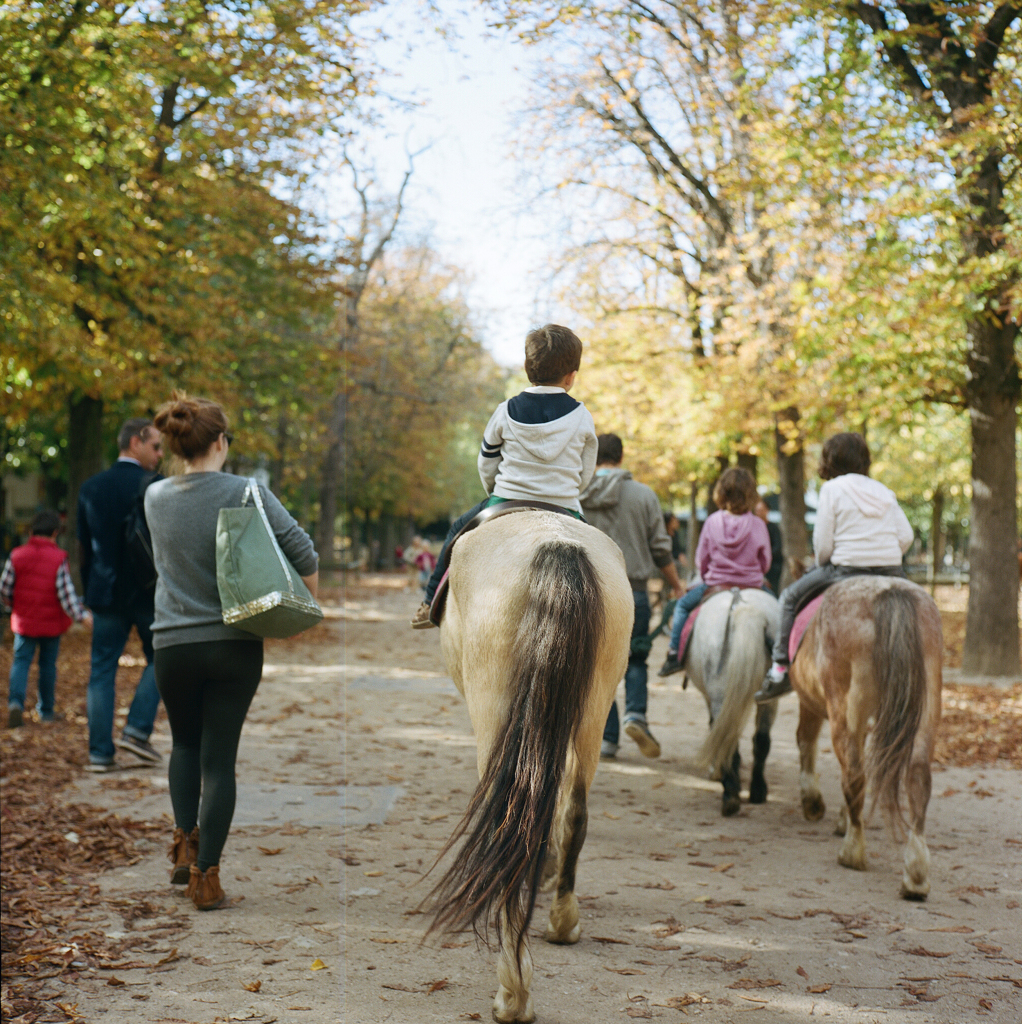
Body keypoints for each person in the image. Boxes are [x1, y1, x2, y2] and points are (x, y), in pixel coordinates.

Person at [146, 393, 318, 910]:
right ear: (220, 440)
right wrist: (305, 597)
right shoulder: (247, 491)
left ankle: (183, 840)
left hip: (172, 643)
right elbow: (303, 551)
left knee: (183, 745)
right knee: (219, 762)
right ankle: (206, 876)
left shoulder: (155, 496)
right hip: (233, 644)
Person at [412, 324, 598, 628]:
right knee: (601, 558)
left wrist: (494, 493)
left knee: (457, 529)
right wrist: (567, 492)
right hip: (564, 503)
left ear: (528, 369)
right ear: (571, 376)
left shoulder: (505, 410)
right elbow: (585, 470)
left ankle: (429, 602)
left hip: (506, 497)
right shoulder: (581, 415)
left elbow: (486, 463)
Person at [754, 432, 913, 703]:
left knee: (789, 599)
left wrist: (824, 561)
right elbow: (906, 536)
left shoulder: (832, 489)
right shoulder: (884, 491)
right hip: (890, 571)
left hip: (846, 569)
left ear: (830, 460)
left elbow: (824, 542)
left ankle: (779, 670)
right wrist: (884, 555)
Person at [581, 433, 683, 760]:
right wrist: (676, 584)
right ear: (621, 458)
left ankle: (608, 738)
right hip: (633, 591)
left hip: (587, 590)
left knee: (596, 666)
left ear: (596, 458)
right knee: (635, 657)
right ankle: (636, 715)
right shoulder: (644, 495)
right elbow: (660, 547)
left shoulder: (576, 493)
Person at [78, 418, 165, 771]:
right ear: (135, 442)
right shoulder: (156, 487)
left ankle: (100, 753)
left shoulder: (90, 488)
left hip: (106, 591)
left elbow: (85, 548)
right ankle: (137, 729)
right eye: (155, 446)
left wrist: (91, 590)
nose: (160, 454)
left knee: (101, 670)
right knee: (164, 657)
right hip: (148, 591)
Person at [658, 468, 770, 678]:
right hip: (752, 584)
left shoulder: (712, 521)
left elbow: (702, 560)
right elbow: (766, 562)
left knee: (682, 606)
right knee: (779, 612)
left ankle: (674, 654)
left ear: (722, 493)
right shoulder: (758, 524)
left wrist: (708, 572)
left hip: (716, 584)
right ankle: (782, 659)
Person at [1, 510, 92, 728]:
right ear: (55, 533)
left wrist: (13, 606)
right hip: (51, 624)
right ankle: (46, 710)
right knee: (48, 666)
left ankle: (15, 704)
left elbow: (4, 588)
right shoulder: (58, 558)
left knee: (21, 662)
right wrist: (81, 616)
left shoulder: (17, 555)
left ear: (31, 532)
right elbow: (66, 594)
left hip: (24, 621)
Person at [755, 498, 783, 595]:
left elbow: (777, 548)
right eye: (757, 511)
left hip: (773, 568)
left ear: (767, 511)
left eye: (761, 510)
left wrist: (764, 557)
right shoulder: (753, 528)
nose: (759, 513)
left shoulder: (773, 528)